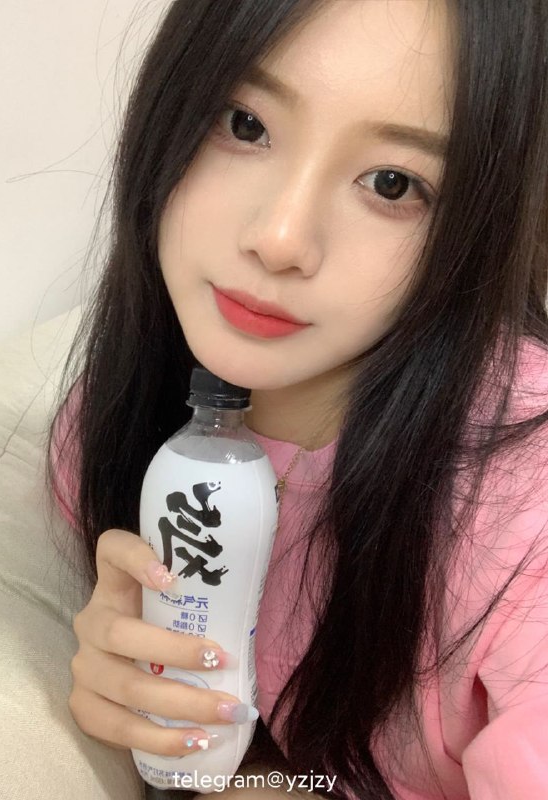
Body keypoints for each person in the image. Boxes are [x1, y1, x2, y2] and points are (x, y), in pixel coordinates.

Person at [46, 1, 548, 797]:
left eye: (392, 183)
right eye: (245, 124)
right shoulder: (108, 438)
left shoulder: (525, 510)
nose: (281, 238)